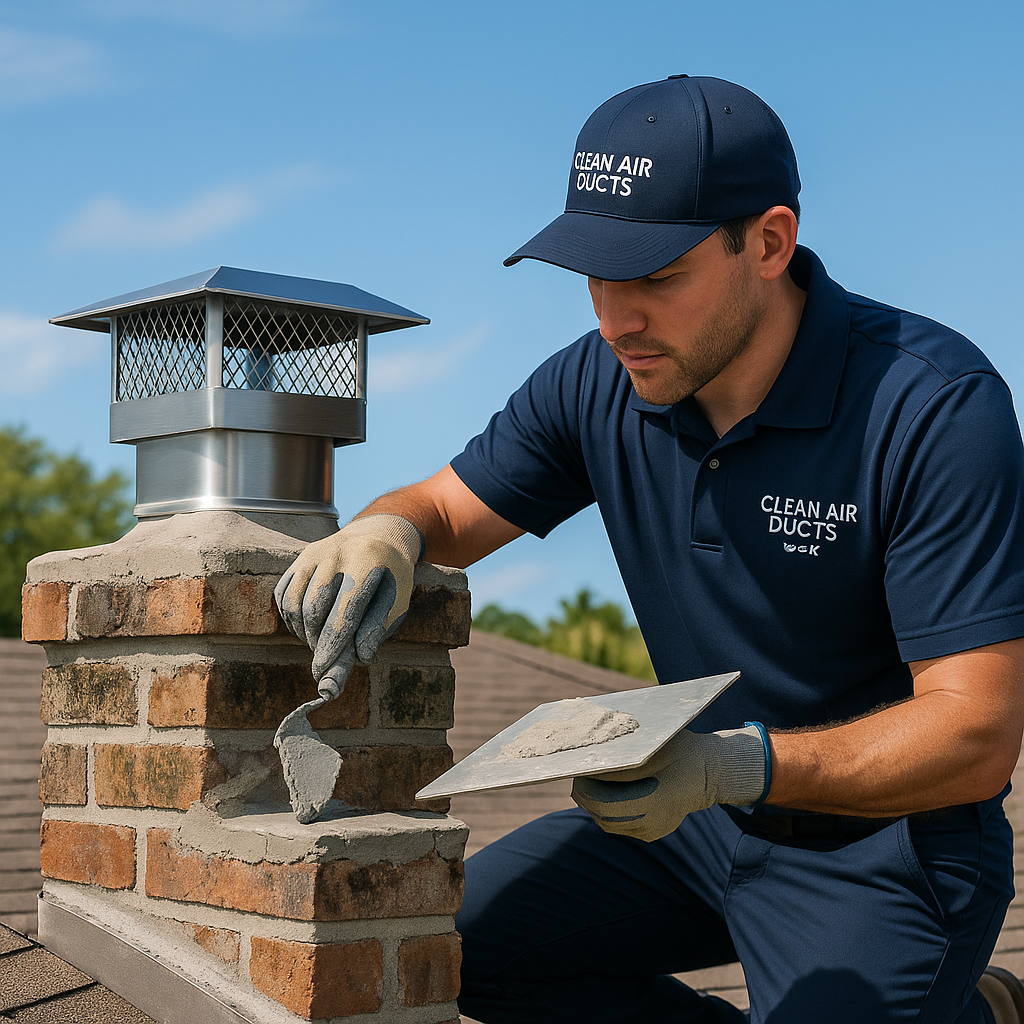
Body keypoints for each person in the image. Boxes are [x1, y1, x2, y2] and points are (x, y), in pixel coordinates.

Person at [275, 76, 1024, 1023]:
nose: (614, 318)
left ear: (769, 243)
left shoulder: (932, 406)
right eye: (594, 274)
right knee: (449, 945)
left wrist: (733, 766)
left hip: (884, 843)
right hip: (695, 823)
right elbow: (443, 506)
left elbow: (976, 735)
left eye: (656, 276)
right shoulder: (601, 379)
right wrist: (389, 529)